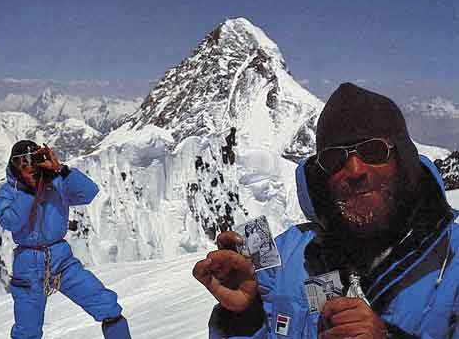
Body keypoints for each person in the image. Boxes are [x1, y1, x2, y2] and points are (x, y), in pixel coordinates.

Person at [193, 83, 459, 339]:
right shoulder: (285, 255)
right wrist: (246, 317)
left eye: (373, 151)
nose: (355, 171)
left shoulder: (453, 262)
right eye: (335, 158)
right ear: (323, 176)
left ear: (404, 162)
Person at [0, 140, 132, 339]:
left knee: (108, 307)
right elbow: (11, 222)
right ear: (13, 167)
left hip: (62, 261)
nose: (29, 168)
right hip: (28, 268)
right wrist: (30, 191)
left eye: (33, 161)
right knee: (27, 332)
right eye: (22, 163)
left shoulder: (56, 183)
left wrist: (60, 170)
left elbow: (89, 193)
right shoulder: (8, 192)